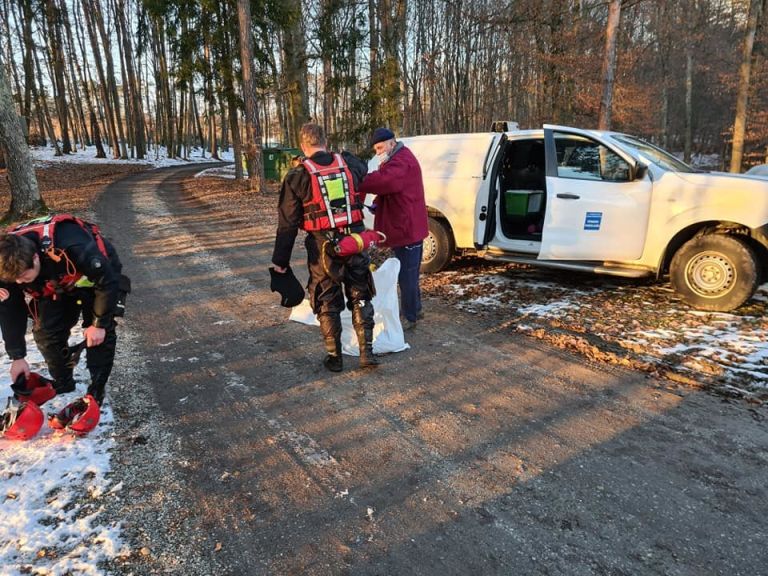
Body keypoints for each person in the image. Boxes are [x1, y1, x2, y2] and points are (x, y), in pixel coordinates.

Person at [271, 123, 378, 372]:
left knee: (326, 296)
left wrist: (281, 261)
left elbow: (287, 223)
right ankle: (367, 352)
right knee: (360, 292)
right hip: (355, 239)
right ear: (326, 141)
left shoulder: (297, 176)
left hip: (322, 246)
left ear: (302, 146)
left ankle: (335, 357)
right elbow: (364, 171)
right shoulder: (349, 163)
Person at [0, 214, 127, 417]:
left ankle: (96, 390)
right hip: (55, 282)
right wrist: (17, 356)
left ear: (34, 258)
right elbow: (11, 309)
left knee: (97, 336)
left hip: (96, 277)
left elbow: (108, 281)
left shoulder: (74, 245)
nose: (20, 283)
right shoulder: (7, 266)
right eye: (14, 280)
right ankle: (63, 382)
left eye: (24, 277)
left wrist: (99, 324)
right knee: (45, 334)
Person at [358, 127, 428, 330]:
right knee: (410, 272)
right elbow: (395, 189)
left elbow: (386, 181)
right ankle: (415, 309)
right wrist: (380, 203)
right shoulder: (396, 159)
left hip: (407, 228)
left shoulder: (401, 161)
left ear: (391, 143)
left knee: (406, 274)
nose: (378, 152)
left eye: (380, 147)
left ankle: (410, 316)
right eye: (376, 149)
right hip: (407, 225)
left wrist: (359, 179)